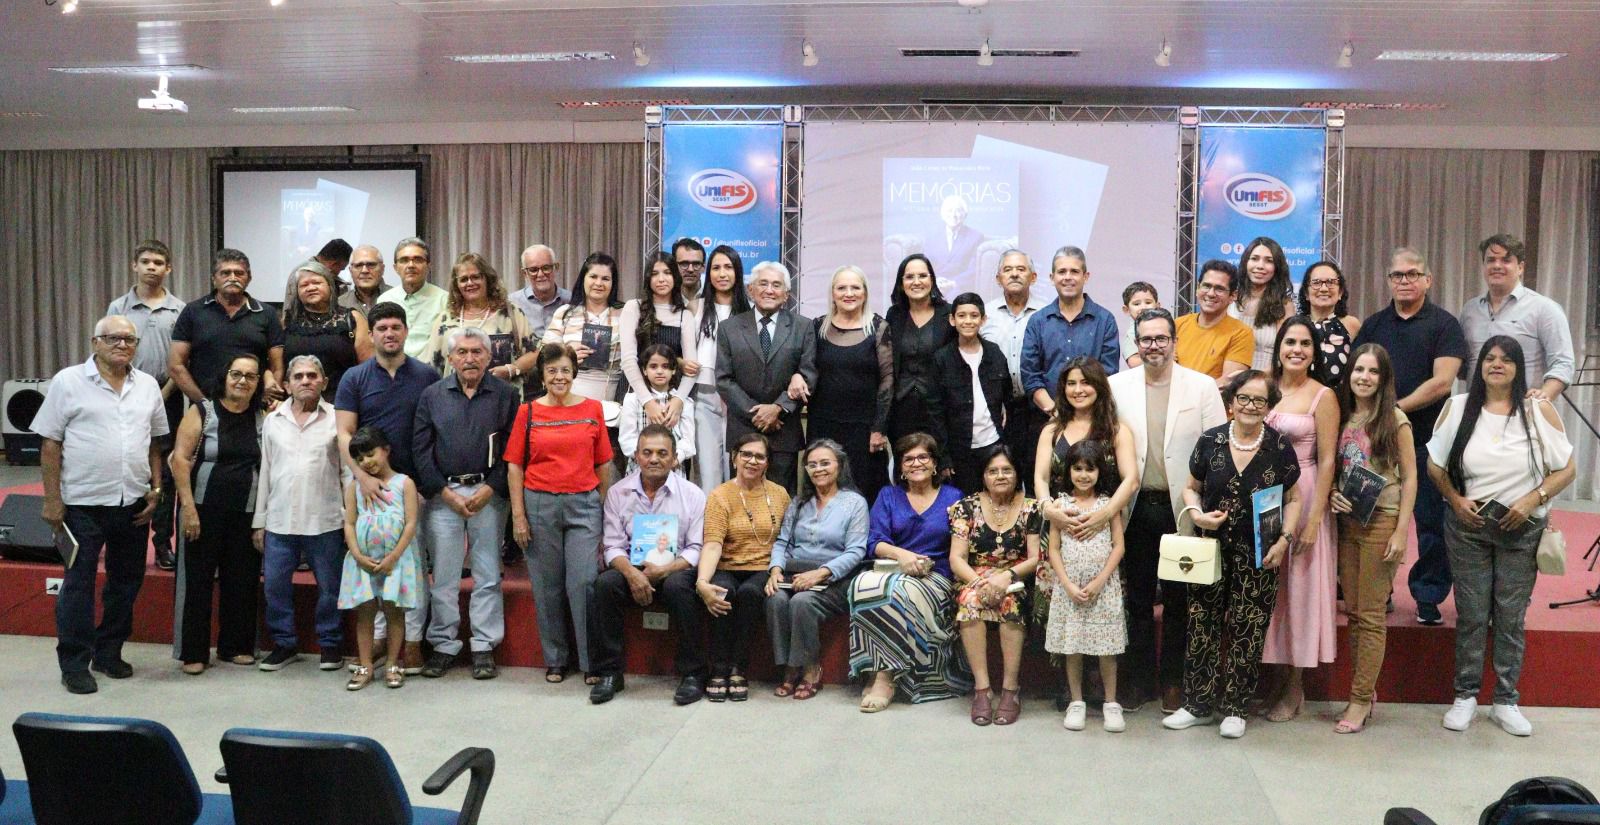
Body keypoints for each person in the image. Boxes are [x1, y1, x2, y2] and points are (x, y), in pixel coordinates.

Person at [1429, 336, 1574, 737]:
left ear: (1518, 368)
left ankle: (1506, 700)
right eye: (1489, 358)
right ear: (1479, 367)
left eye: (1506, 360)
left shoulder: (1538, 410)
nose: (1497, 365)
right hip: (1469, 528)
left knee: (1510, 617)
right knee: (1473, 614)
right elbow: (1435, 466)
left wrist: (1532, 500)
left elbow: (1566, 469)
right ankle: (1465, 697)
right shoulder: (1458, 408)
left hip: (1521, 530)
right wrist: (1456, 501)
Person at [1164, 370, 1301, 739]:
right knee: (1202, 624)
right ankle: (1197, 704)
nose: (1250, 406)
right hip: (1211, 549)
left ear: (1269, 406)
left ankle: (1236, 707)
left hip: (1260, 551)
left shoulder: (1279, 447)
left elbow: (1294, 499)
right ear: (1231, 402)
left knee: (1248, 628)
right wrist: (1196, 514)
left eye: (1260, 400)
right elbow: (1190, 489)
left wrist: (1284, 541)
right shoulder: (1210, 441)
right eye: (1244, 398)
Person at [35, 316, 168, 694]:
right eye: (113, 338)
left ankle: (109, 652)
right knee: (78, 586)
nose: (122, 344)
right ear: (95, 342)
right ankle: (75, 663)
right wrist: (52, 500)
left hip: (133, 505)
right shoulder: (68, 382)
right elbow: (50, 443)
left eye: (129, 339)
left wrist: (156, 491)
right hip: (81, 505)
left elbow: (155, 443)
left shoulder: (147, 387)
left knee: (126, 583)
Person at [1108, 307, 1228, 712]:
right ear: (1136, 343)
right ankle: (1139, 681)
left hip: (1181, 512)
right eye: (1146, 339)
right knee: (1137, 600)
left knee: (1179, 602)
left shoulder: (1202, 386)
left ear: (1175, 342)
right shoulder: (1116, 386)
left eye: (1161, 338)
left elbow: (1218, 449)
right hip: (1137, 508)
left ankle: (1173, 682)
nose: (1153, 346)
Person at [1353, 247, 1469, 626]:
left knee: (1432, 523)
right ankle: (1379, 591)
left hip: (1429, 442)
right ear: (1389, 280)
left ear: (1427, 280)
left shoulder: (1445, 325)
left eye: (1412, 274)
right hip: (1375, 444)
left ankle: (1428, 595)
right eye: (1397, 275)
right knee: (1372, 518)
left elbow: (1442, 382)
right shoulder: (1373, 325)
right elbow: (1359, 377)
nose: (1404, 281)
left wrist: (1394, 409)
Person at [335, 302, 442, 674]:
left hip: (413, 487)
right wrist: (361, 477)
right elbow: (344, 433)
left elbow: (435, 431)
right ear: (372, 334)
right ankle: (380, 639)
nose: (389, 334)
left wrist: (429, 480)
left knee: (411, 566)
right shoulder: (354, 378)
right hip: (368, 488)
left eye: (396, 327)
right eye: (382, 328)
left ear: (406, 331)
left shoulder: (427, 375)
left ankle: (412, 641)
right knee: (376, 563)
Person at [412, 327, 518, 681]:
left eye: (477, 352)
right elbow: (420, 451)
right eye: (462, 352)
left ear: (489, 357)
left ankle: (484, 645)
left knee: (488, 574)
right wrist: (445, 493)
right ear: (451, 358)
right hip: (444, 498)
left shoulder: (506, 395)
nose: (469, 358)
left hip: (488, 496)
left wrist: (491, 488)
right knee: (443, 576)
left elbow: (513, 450)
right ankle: (443, 644)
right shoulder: (432, 395)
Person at [506, 343, 614, 684]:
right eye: (551, 370)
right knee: (547, 586)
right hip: (539, 504)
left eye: (565, 370)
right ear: (542, 373)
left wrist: (600, 502)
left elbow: (605, 462)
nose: (558, 376)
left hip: (583, 504)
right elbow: (514, 466)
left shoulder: (592, 409)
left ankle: (589, 661)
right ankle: (555, 658)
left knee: (582, 584)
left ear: (574, 373)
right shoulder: (529, 412)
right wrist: (519, 516)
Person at [1328, 344, 1417, 733]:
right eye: (1358, 369)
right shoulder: (1343, 417)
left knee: (1371, 614)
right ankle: (1364, 691)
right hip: (1348, 521)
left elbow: (1411, 477)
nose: (1364, 377)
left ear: (1384, 379)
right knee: (1352, 612)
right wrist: (1332, 492)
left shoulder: (1395, 419)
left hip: (1382, 520)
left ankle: (1360, 700)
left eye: (1373, 372)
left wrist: (1401, 530)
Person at [1032, 356, 1137, 684]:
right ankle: (1067, 687)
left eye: (1085, 382)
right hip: (1060, 527)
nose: (1078, 390)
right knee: (1062, 605)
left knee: (1101, 606)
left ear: (1099, 387)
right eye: (1071, 383)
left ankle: (1101, 686)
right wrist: (1049, 509)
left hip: (1104, 532)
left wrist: (1102, 516)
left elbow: (1131, 479)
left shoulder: (1117, 430)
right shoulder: (1053, 429)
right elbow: (1039, 477)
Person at [588, 425, 707, 704]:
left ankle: (693, 673)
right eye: (648, 453)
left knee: (681, 587)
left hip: (675, 569)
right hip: (633, 567)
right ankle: (609, 673)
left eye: (662, 453)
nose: (654, 459)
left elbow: (696, 548)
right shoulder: (618, 493)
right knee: (604, 585)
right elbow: (613, 545)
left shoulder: (692, 495)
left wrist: (665, 570)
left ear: (675, 458)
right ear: (637, 457)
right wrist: (631, 574)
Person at [1258, 316, 1340, 721]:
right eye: (1290, 341)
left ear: (1315, 351)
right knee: (1270, 593)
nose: (1297, 349)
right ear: (1279, 346)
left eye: (1305, 343)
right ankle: (1271, 678)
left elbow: (1327, 460)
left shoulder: (1322, 396)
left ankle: (1294, 687)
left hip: (1306, 496)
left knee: (1300, 595)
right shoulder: (1263, 387)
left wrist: (1313, 519)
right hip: (1265, 500)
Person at [853, 433, 971, 710]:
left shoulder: (954, 497)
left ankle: (885, 677)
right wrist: (901, 555)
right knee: (861, 585)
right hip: (892, 568)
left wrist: (921, 564)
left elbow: (961, 547)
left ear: (934, 463)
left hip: (937, 575)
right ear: (901, 467)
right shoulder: (888, 495)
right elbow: (874, 542)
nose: (916, 463)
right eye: (908, 459)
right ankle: (872, 667)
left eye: (923, 457)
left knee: (897, 592)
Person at [170, 354, 264, 675]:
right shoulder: (202, 412)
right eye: (236, 374)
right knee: (196, 581)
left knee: (242, 580)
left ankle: (235, 646)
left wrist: (260, 520)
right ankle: (193, 651)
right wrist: (188, 508)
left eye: (250, 376)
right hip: (201, 511)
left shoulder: (262, 417)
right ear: (224, 377)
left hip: (246, 513)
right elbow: (179, 460)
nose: (242, 381)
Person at [254, 355, 348, 672]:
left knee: (330, 588)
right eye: (298, 376)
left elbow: (347, 472)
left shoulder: (339, 419)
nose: (305, 381)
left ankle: (331, 644)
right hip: (280, 520)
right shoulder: (272, 421)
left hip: (326, 520)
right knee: (275, 587)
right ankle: (284, 644)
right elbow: (265, 471)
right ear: (287, 384)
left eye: (312, 375)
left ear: (324, 382)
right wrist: (259, 522)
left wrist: (351, 517)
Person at [764, 438, 869, 700]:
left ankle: (808, 667)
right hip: (794, 573)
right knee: (775, 598)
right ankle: (788, 665)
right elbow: (782, 542)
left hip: (835, 578)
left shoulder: (854, 503)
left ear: (839, 466)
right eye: (812, 465)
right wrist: (776, 570)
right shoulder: (799, 502)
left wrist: (821, 573)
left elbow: (856, 551)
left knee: (802, 602)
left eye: (825, 463)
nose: (818, 469)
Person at [106, 239, 186, 571]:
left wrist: (160, 394)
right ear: (134, 266)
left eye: (158, 262)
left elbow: (183, 360)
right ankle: (118, 538)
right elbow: (107, 353)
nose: (152, 267)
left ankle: (163, 542)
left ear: (168, 269)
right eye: (146, 261)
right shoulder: (118, 308)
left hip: (169, 397)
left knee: (165, 474)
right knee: (125, 464)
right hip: (123, 399)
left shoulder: (180, 310)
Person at [949, 446, 1041, 726]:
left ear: (1017, 473)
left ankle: (1010, 690)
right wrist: (979, 583)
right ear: (983, 476)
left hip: (1015, 578)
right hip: (974, 577)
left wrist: (1006, 578)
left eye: (1006, 470)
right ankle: (982, 690)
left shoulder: (1032, 507)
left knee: (1010, 603)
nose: (1000, 476)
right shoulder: (965, 507)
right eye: (993, 471)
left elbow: (1037, 557)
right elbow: (956, 557)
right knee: (970, 601)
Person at [699, 433, 792, 696]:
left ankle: (738, 668)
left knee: (751, 594)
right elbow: (713, 543)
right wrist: (703, 582)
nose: (752, 461)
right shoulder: (720, 495)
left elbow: (786, 540)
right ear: (734, 458)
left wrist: (777, 569)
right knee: (722, 593)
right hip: (727, 566)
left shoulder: (780, 494)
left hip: (764, 568)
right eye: (746, 455)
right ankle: (718, 668)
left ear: (767, 463)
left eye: (760, 456)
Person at [1046, 439, 1127, 732]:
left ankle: (1111, 703)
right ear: (1068, 471)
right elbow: (1053, 549)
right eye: (1077, 468)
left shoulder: (1107, 506)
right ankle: (1076, 701)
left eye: (1089, 469)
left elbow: (1118, 546)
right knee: (1073, 646)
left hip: (1103, 589)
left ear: (1099, 471)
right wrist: (1066, 584)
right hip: (1070, 590)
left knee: (1107, 648)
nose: (1083, 475)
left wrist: (1100, 580)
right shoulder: (1060, 506)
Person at [715, 261, 817, 494]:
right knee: (742, 499)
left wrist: (779, 408)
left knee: (782, 500)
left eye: (776, 285)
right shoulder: (729, 328)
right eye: (763, 284)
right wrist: (758, 413)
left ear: (786, 294)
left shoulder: (803, 327)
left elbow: (809, 373)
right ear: (751, 290)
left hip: (783, 431)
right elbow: (723, 379)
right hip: (743, 429)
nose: (769, 290)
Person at [337, 426, 423, 691]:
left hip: (394, 561)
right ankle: (365, 665)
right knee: (365, 615)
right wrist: (357, 554)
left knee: (394, 613)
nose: (366, 462)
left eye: (370, 454)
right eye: (359, 458)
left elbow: (410, 523)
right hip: (363, 562)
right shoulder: (355, 488)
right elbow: (350, 523)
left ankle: (393, 664)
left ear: (386, 450)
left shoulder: (404, 483)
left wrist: (394, 556)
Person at [1021, 246, 1121, 454]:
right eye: (1062, 272)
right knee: (1041, 482)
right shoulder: (1038, 322)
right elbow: (1030, 374)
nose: (1068, 277)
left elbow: (1108, 373)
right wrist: (1056, 411)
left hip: (1093, 424)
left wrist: (1080, 412)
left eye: (1074, 271)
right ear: (1051, 277)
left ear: (1086, 276)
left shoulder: (1105, 320)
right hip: (1045, 422)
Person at [806, 265, 892, 506]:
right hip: (823, 425)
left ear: (864, 292)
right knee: (823, 489)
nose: (849, 293)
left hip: (865, 430)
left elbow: (887, 380)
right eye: (841, 287)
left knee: (864, 490)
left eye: (855, 287)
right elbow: (805, 369)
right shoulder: (816, 326)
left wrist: (879, 428)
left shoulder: (879, 328)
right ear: (832, 293)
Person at [1460, 233, 1575, 401]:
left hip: (1525, 410)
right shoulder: (1470, 310)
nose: (1497, 266)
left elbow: (1563, 363)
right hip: (1477, 412)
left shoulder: (1544, 309)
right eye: (1490, 260)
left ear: (1520, 267)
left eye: (1506, 260)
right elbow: (1464, 367)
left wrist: (1544, 396)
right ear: (1483, 266)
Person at [170, 248, 285, 407]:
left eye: (239, 273)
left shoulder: (267, 314)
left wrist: (270, 400)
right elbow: (176, 365)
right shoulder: (192, 311)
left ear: (249, 278)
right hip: (204, 408)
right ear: (213, 278)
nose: (233, 278)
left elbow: (277, 367)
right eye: (225, 273)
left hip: (254, 409)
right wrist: (204, 405)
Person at [929, 292, 1011, 494]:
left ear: (983, 320)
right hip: (959, 449)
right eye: (962, 315)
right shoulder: (942, 358)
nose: (968, 321)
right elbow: (935, 412)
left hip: (993, 443)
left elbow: (1008, 398)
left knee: (995, 500)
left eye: (974, 316)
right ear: (952, 319)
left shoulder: (994, 352)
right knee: (965, 505)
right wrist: (943, 455)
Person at [981, 250, 1047, 487]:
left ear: (1034, 276)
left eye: (1021, 269)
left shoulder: (1048, 314)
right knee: (1001, 476)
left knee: (1036, 475)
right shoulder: (984, 315)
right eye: (1007, 270)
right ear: (998, 278)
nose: (1014, 274)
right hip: (998, 410)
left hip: (1039, 407)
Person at [426, 252, 538, 387]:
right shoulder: (445, 319)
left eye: (475, 277)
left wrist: (511, 370)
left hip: (503, 400)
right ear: (456, 285)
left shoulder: (510, 313)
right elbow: (432, 367)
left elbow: (534, 354)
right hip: (455, 402)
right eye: (463, 279)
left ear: (487, 279)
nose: (470, 283)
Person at [690, 245, 751, 490]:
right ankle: (710, 527)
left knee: (737, 470)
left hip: (739, 401)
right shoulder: (696, 306)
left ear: (737, 272)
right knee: (709, 471)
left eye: (728, 267)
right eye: (716, 268)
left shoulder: (749, 312)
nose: (722, 274)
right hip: (704, 397)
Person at [619, 252, 699, 428]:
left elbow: (692, 368)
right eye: (655, 274)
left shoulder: (684, 315)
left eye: (667, 273)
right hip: (635, 391)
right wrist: (647, 401)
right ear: (648, 278)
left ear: (676, 277)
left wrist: (678, 400)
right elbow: (628, 360)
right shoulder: (634, 307)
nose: (661, 279)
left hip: (671, 396)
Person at [885, 254, 953, 446]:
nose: (916, 282)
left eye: (922, 276)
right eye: (909, 277)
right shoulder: (894, 314)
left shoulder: (948, 314)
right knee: (906, 467)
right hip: (901, 409)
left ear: (932, 280)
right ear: (901, 283)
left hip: (940, 409)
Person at [283, 260, 371, 402]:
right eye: (304, 285)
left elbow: (368, 368)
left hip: (343, 403)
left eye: (317, 283)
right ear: (297, 292)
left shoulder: (352, 318)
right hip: (297, 405)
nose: (311, 288)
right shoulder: (287, 323)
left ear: (330, 286)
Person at [542, 252, 625, 402]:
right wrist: (566, 353)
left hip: (612, 394)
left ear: (613, 283)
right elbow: (544, 354)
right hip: (568, 393)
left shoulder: (625, 314)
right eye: (593, 277)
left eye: (605, 278)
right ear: (583, 279)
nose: (599, 283)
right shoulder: (565, 313)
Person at [618, 345, 696, 473]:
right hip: (639, 468)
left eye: (665, 366)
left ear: (674, 370)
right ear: (644, 370)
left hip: (672, 469)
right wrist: (645, 457)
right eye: (653, 366)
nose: (659, 371)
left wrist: (674, 459)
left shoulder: (684, 402)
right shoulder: (633, 400)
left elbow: (688, 441)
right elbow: (626, 438)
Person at [1175, 261, 1253, 386]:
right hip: (1171, 401)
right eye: (1206, 286)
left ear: (1233, 295)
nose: (1211, 293)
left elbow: (1228, 382)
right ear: (1197, 288)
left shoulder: (1241, 333)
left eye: (1219, 289)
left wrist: (1188, 396)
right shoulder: (1177, 325)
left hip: (1211, 404)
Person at [1227, 237, 1297, 371]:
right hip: (1229, 377)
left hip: (1267, 378)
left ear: (1277, 267)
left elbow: (1285, 351)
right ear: (1245, 262)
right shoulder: (1231, 298)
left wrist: (1260, 380)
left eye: (1269, 261)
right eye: (1254, 259)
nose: (1260, 266)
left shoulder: (1284, 305)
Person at [376, 237, 449, 361]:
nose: (411, 265)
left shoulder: (444, 300)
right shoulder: (385, 300)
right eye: (404, 260)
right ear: (395, 268)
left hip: (433, 374)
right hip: (394, 371)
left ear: (428, 266)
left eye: (418, 260)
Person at [1296, 260, 1361, 386]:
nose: (1324, 289)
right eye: (1316, 283)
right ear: (1306, 293)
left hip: (1342, 400)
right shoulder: (1296, 325)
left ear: (1340, 292)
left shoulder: (1352, 325)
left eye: (1331, 282)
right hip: (1302, 398)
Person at [508, 244, 570, 341]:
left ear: (556, 268)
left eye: (546, 268)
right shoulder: (511, 304)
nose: (540, 275)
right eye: (533, 270)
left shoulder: (573, 301)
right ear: (525, 273)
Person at [925, 194, 983, 287]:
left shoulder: (975, 237)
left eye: (958, 211)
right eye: (949, 211)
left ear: (965, 215)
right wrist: (936, 280)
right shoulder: (931, 237)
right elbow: (925, 264)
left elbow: (974, 268)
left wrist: (952, 283)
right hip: (935, 284)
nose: (953, 215)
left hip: (959, 285)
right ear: (942, 215)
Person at [1118, 282, 1160, 369]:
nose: (1143, 307)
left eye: (1148, 302)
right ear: (1126, 310)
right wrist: (1159, 358)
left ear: (1157, 306)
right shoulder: (1132, 334)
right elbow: (1133, 363)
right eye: (1136, 304)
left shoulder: (1165, 327)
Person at [339, 245, 388, 318]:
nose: (364, 271)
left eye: (371, 265)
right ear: (350, 271)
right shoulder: (340, 304)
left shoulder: (400, 298)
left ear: (382, 269)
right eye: (358, 265)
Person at [672, 237, 707, 302]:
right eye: (684, 264)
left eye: (696, 264)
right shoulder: (666, 298)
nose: (690, 269)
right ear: (673, 266)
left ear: (703, 268)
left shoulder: (713, 298)